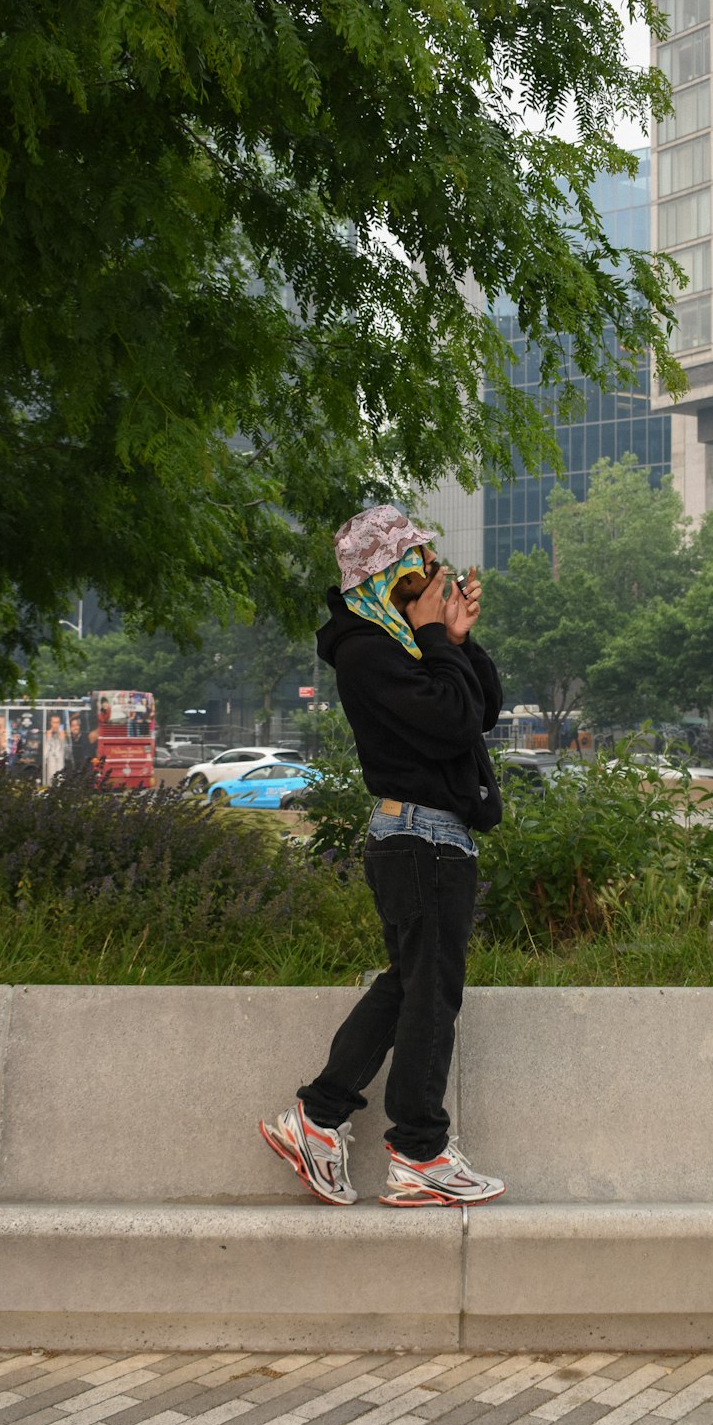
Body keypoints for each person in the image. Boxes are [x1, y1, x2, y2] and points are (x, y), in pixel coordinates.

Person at [259, 505, 506, 1207]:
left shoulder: (405, 641)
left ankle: (320, 1115)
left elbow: (480, 708)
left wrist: (457, 638)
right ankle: (419, 1151)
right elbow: (452, 721)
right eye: (418, 567)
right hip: (419, 838)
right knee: (430, 995)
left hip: (429, 838)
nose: (433, 575)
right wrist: (433, 635)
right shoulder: (370, 650)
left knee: (411, 987)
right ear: (385, 577)